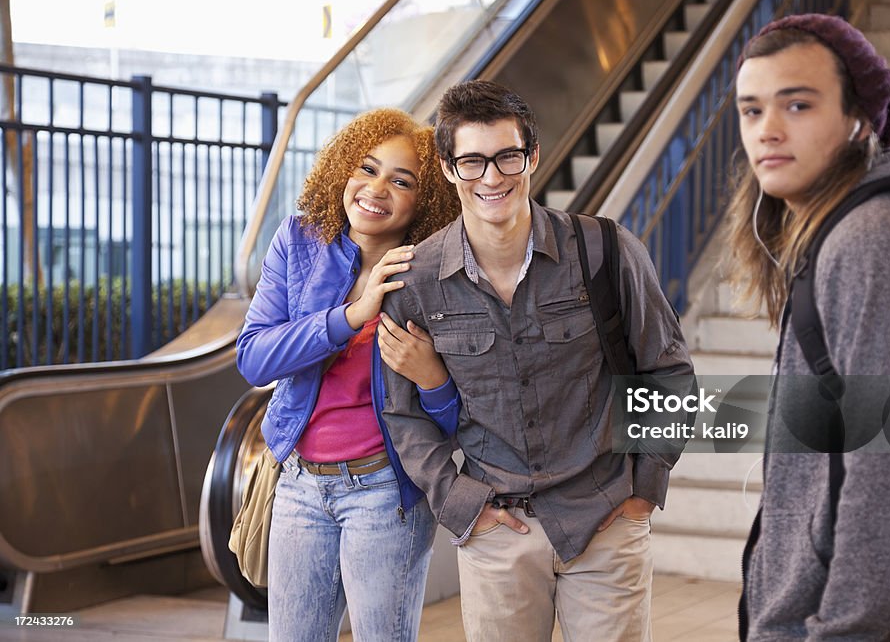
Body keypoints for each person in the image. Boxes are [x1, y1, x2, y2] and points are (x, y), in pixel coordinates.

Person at [378, 80, 694, 642]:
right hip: (496, 532)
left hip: (605, 519)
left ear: (533, 156)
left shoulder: (605, 250)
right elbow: (403, 418)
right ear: (449, 169)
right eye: (472, 162)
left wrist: (646, 484)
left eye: (507, 157)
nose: (493, 177)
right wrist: (458, 503)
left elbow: (668, 373)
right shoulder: (417, 282)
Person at [728, 14, 890, 640]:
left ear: (859, 118)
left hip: (878, 623)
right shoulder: (835, 236)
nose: (767, 130)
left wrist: (844, 627)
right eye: (750, 110)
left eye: (797, 104)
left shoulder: (875, 240)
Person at [235, 108, 462, 642]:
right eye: (367, 168)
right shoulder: (298, 241)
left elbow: (458, 419)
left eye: (401, 180)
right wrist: (349, 317)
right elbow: (253, 357)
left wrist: (433, 378)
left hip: (387, 492)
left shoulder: (435, 274)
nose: (376, 188)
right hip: (299, 485)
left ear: (424, 201)